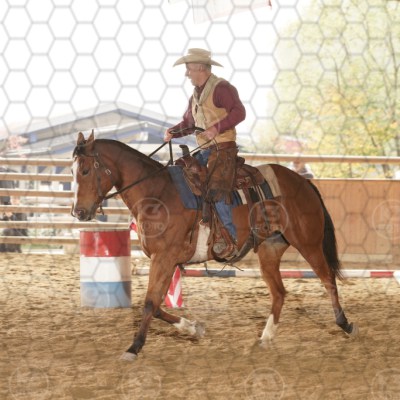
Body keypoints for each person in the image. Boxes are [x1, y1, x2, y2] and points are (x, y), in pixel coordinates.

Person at [164, 48, 246, 258]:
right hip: (205, 150)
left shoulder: (222, 89)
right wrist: (173, 131)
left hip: (223, 149)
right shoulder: (196, 95)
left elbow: (239, 112)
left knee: (216, 189)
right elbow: (188, 123)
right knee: (180, 175)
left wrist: (216, 128)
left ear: (200, 68)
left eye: (188, 69)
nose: (186, 74)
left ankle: (230, 238)